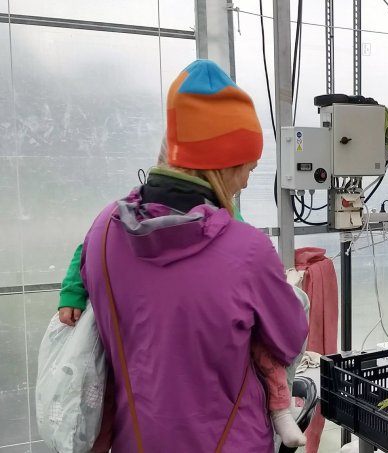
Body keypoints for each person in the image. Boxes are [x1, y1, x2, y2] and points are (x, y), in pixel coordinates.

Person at [71, 59, 309, 452]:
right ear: (223, 164)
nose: (248, 178)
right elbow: (289, 338)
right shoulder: (246, 250)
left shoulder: (102, 232)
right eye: (246, 166)